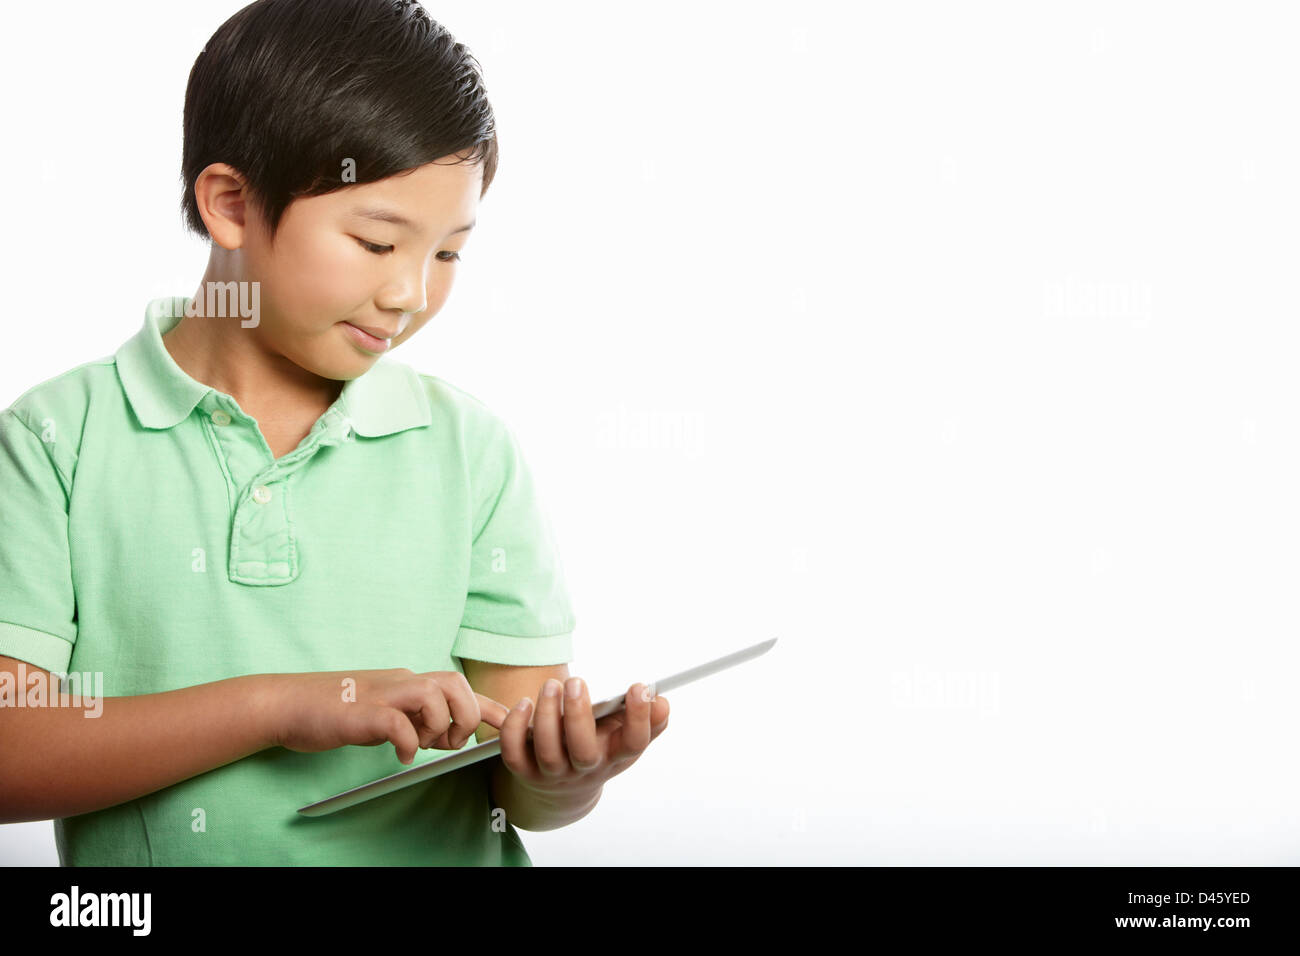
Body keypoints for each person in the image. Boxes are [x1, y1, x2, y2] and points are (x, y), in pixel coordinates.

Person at [0, 0, 668, 865]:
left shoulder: (469, 454)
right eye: (376, 241)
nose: (412, 294)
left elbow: (519, 790)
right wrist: (281, 707)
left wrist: (567, 775)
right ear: (232, 204)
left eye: (449, 253)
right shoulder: (59, 442)